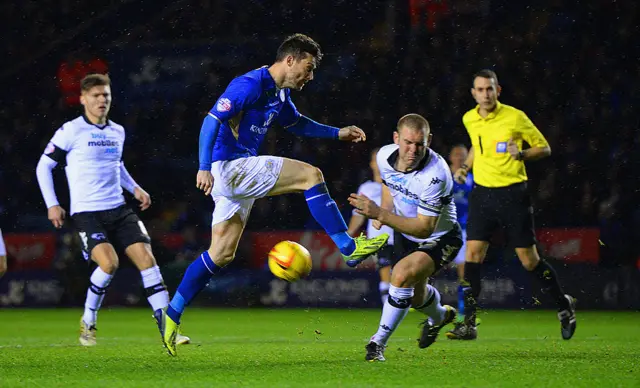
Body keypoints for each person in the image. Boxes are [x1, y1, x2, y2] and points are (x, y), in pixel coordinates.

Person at [158, 34, 389, 356]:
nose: (310, 77)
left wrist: (337, 133)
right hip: (230, 167)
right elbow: (211, 119)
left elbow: (296, 124)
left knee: (221, 254)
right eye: (308, 69)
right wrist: (203, 166)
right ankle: (348, 247)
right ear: (290, 60)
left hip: (235, 177)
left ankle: (170, 317)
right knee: (312, 175)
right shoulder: (250, 84)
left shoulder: (279, 94)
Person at [35, 74, 190, 347]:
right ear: (83, 99)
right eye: (96, 95)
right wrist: (52, 204)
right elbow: (43, 166)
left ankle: (169, 328)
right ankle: (89, 318)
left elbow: (116, 166)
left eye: (105, 95)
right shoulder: (70, 131)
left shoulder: (117, 131)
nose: (102, 100)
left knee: (147, 260)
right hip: (87, 212)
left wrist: (135, 189)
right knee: (109, 264)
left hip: (118, 208)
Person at [446, 69, 576, 341]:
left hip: (513, 195)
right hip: (482, 195)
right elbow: (475, 146)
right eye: (480, 90)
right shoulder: (469, 118)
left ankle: (563, 306)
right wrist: (465, 168)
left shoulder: (515, 117)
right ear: (473, 93)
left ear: (498, 90)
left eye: (490, 89)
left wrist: (524, 153)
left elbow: (545, 148)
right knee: (472, 257)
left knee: (529, 260)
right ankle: (468, 323)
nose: (485, 94)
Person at [349, 114, 461, 362]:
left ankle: (377, 343)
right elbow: (390, 184)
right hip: (404, 233)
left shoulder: (437, 174)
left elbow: (423, 229)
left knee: (399, 275)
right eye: (408, 143)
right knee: (417, 297)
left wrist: (379, 213)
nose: (413, 150)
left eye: (420, 144)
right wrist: (383, 215)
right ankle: (440, 316)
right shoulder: (384, 157)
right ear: (396, 139)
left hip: (440, 236)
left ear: (429, 141)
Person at [346, 148, 394, 305]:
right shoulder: (366, 188)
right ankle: (389, 308)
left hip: (402, 235)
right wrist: (347, 235)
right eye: (376, 160)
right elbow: (358, 216)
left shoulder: (397, 185)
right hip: (378, 239)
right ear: (372, 164)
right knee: (386, 271)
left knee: (402, 275)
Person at [448, 144, 473, 323]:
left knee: (464, 272)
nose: (460, 158)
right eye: (457, 154)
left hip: (463, 230)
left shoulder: (471, 179)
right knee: (427, 269)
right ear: (450, 156)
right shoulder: (443, 176)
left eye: (464, 155)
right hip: (441, 229)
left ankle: (463, 310)